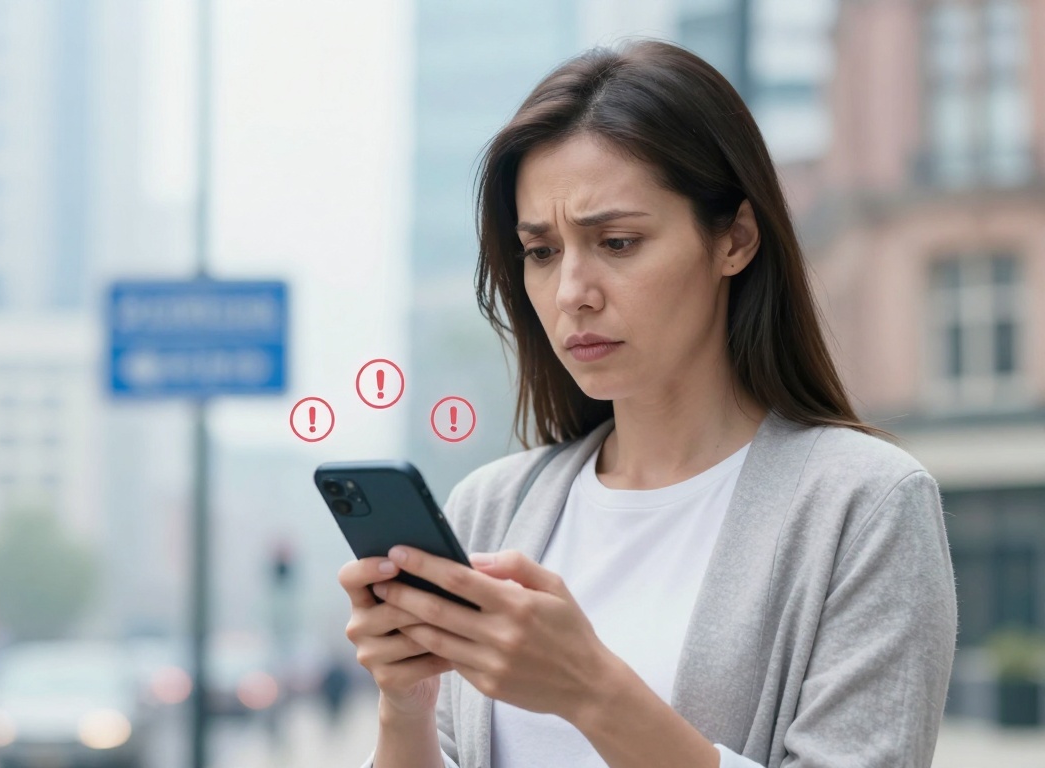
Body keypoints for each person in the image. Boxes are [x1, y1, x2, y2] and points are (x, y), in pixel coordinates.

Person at [339, 40, 957, 768]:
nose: (573, 293)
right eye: (542, 252)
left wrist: (591, 691)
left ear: (735, 239)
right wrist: (405, 706)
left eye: (618, 241)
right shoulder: (493, 507)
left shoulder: (866, 504)